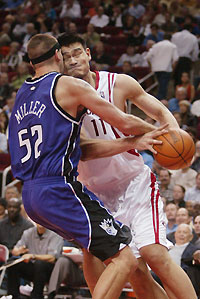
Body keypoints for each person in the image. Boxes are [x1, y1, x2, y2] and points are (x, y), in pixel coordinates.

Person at [8, 32, 159, 299]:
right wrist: (164, 133)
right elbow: (123, 121)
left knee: (94, 251)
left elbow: (82, 148)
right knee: (125, 258)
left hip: (29, 194)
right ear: (58, 56)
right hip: (58, 187)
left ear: (31, 64)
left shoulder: (21, 94)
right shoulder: (68, 85)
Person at [58, 33, 197, 299]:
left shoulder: (118, 83)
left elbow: (158, 110)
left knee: (154, 253)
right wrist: (135, 140)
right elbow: (85, 151)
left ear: (88, 53)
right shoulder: (63, 102)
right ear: (60, 63)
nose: (73, 60)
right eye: (66, 57)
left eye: (77, 53)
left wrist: (174, 137)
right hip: (95, 194)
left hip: (135, 183)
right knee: (133, 270)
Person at [7, 223, 64, 299]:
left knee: (40, 264)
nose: (40, 223)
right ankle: (13, 295)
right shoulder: (28, 232)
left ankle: (36, 296)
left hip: (51, 271)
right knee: (12, 262)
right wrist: (18, 251)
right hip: (33, 268)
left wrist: (33, 256)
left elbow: (52, 258)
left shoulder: (55, 235)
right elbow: (15, 250)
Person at [146, 33, 179, 100]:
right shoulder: (172, 46)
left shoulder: (156, 45)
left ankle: (159, 101)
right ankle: (160, 101)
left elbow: (148, 57)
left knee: (160, 86)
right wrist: (173, 70)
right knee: (163, 87)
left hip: (156, 69)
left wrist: (151, 67)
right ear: (171, 39)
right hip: (166, 69)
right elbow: (176, 59)